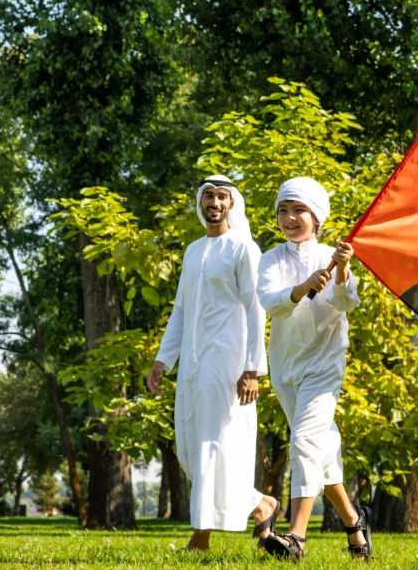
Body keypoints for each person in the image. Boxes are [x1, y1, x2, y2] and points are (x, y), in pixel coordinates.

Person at [146, 175, 280, 552]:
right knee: (189, 446)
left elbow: (256, 309)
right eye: (209, 196)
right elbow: (180, 311)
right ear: (200, 204)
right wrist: (162, 360)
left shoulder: (243, 248)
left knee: (213, 443)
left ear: (232, 203)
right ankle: (260, 504)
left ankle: (201, 536)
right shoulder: (193, 251)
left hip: (227, 361)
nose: (215, 203)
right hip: (192, 361)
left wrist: (252, 369)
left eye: (222, 196)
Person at [256, 177, 371, 561]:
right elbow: (271, 303)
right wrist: (303, 285)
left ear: (317, 217)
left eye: (299, 210)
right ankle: (355, 525)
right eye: (283, 210)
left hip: (324, 365)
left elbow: (346, 303)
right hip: (285, 366)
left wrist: (341, 270)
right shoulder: (270, 259)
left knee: (304, 441)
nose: (290, 218)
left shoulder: (334, 255)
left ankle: (296, 538)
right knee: (319, 451)